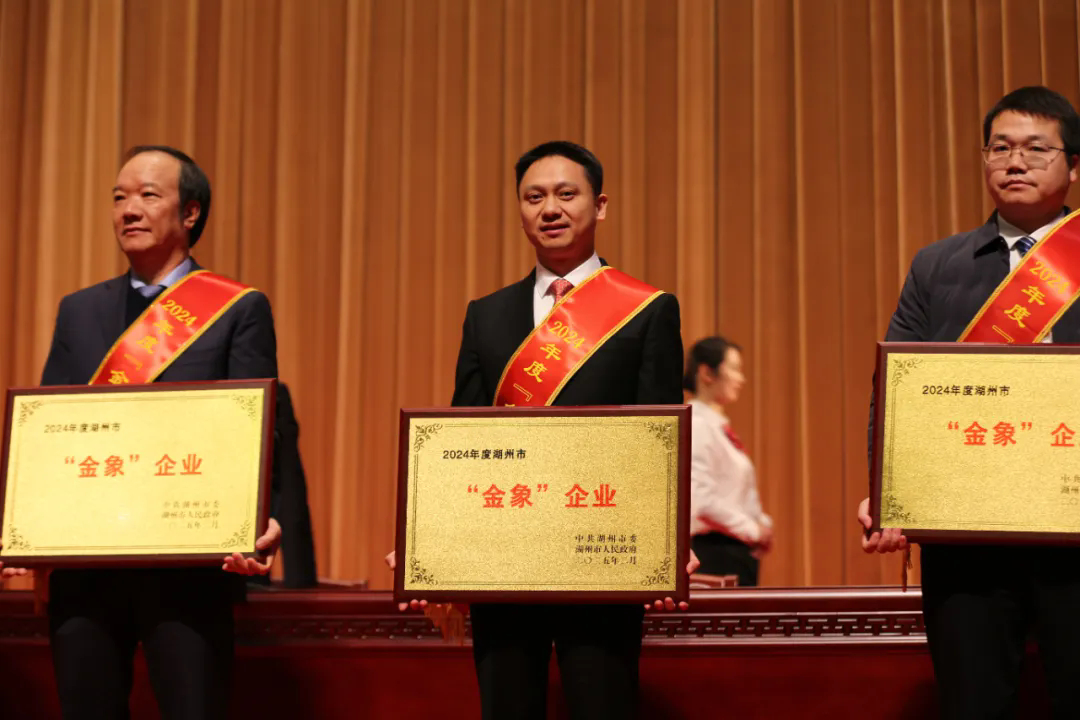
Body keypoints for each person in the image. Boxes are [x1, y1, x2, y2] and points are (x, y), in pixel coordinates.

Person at [391, 140, 697, 720]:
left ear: (599, 206)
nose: (549, 209)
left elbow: (659, 437)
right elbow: (462, 438)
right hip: (503, 559)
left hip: (602, 556)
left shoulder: (647, 309)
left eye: (566, 194)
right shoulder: (486, 314)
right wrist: (430, 536)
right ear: (520, 210)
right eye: (534, 197)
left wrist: (666, 541)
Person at [6, 145, 283, 720]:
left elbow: (258, 431)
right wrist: (23, 527)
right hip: (86, 567)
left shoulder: (235, 308)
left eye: (148, 195)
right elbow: (49, 433)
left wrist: (262, 518)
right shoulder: (79, 310)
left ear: (191, 213)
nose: (128, 210)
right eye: (119, 197)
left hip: (189, 566)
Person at [859, 86, 1080, 718]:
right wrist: (888, 490)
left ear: (1073, 165)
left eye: (1036, 149)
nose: (1015, 162)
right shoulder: (937, 265)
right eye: (1000, 148)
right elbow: (894, 389)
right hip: (967, 541)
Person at [684, 336, 771, 586]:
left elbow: (736, 491)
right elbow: (700, 499)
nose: (741, 379)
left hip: (735, 549)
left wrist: (762, 523)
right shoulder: (697, 423)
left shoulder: (716, 424)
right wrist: (753, 529)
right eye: (734, 369)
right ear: (706, 373)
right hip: (714, 552)